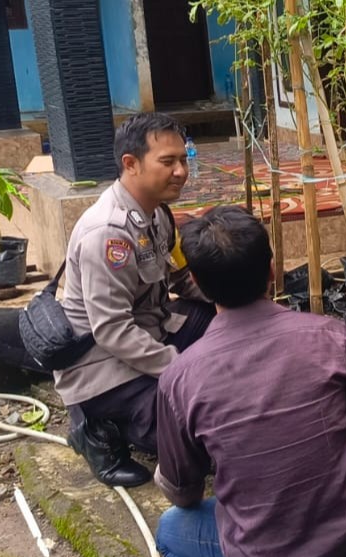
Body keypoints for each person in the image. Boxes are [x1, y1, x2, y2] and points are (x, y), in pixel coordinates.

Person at [152, 205, 346, 557]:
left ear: (199, 287)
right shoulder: (330, 336)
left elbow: (183, 492)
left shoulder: (181, 378)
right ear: (272, 269)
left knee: (171, 529)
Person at [56, 113, 214, 487]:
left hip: (151, 334)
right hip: (105, 368)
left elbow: (180, 277)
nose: (181, 171)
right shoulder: (106, 234)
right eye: (168, 162)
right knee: (201, 442)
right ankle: (98, 428)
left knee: (220, 320)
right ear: (131, 164)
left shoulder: (157, 214)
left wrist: (236, 306)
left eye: (183, 160)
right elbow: (112, 331)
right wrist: (178, 368)